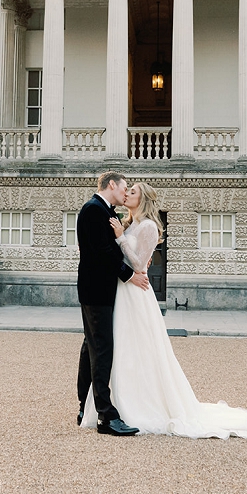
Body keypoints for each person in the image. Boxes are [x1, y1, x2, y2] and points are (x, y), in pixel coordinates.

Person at [80, 182, 247, 439]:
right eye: (127, 189)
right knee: (120, 349)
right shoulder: (126, 222)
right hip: (121, 291)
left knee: (137, 348)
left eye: (132, 192)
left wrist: (121, 239)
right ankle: (113, 405)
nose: (127, 193)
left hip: (135, 291)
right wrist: (121, 238)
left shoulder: (147, 226)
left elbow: (139, 264)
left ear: (142, 199)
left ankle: (136, 407)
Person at [76, 171, 151, 436]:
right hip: (96, 291)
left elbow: (111, 249)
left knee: (92, 348)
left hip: (102, 291)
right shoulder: (93, 210)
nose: (125, 192)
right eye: (124, 188)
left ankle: (85, 408)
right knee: (101, 350)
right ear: (111, 185)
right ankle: (106, 417)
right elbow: (102, 253)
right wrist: (130, 275)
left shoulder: (107, 211)